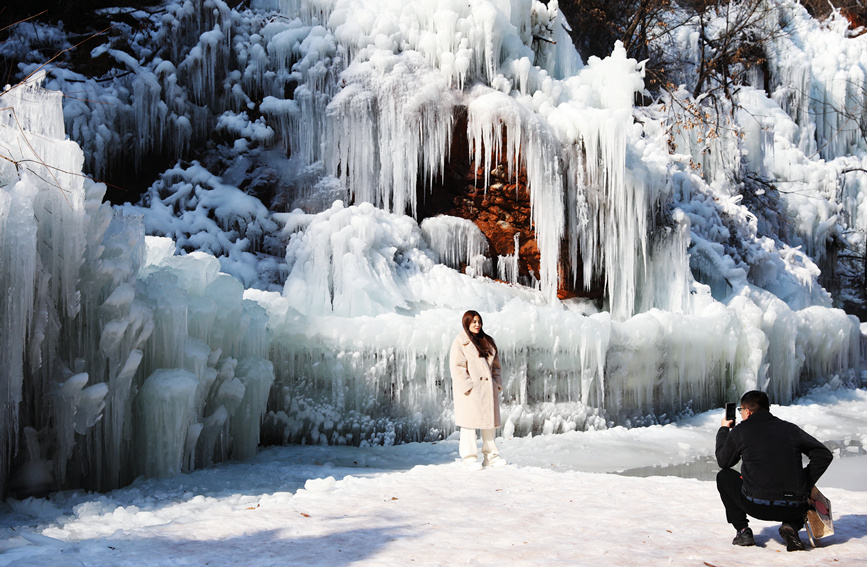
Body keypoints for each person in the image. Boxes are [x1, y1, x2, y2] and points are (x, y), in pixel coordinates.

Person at [716, 390, 833, 551]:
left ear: (747, 411)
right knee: (802, 498)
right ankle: (791, 526)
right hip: (793, 507)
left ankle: (743, 531)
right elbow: (824, 455)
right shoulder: (791, 429)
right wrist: (804, 481)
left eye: (741, 410)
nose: (741, 414)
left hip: (756, 505)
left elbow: (724, 462)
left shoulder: (742, 430)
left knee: (724, 476)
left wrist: (724, 430)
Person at [449, 310, 506, 470]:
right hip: (471, 391)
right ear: (466, 323)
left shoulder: (487, 341)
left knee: (489, 424)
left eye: (479, 321)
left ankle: (491, 457)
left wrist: (497, 383)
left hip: (487, 389)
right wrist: (468, 387)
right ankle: (469, 458)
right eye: (473, 321)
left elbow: (496, 367)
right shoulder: (460, 342)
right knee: (469, 424)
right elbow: (457, 367)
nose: (477, 324)